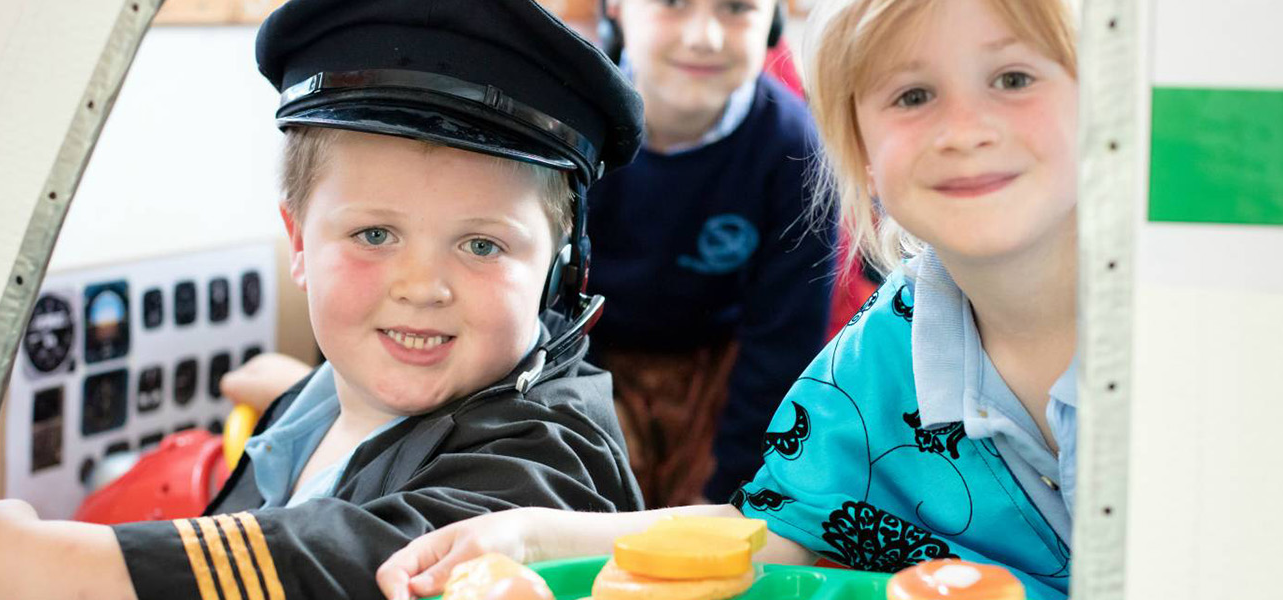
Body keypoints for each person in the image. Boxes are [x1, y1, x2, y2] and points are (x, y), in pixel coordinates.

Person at [0, 0, 651, 597]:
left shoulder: (554, 458)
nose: (422, 288)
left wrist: (52, 566)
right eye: (374, 234)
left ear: (558, 270)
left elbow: (382, 560)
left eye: (482, 245)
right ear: (298, 243)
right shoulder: (329, 396)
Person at [376, 0, 1081, 598]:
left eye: (1013, 78)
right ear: (861, 153)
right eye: (913, 96)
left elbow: (777, 346)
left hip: (722, 374)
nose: (964, 131)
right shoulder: (882, 353)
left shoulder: (1161, 329)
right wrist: (529, 535)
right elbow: (780, 531)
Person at [588, 0, 838, 507]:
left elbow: (784, 344)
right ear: (614, 7)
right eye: (672, 3)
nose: (705, 36)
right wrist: (585, 395)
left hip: (725, 380)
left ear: (772, 20)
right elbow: (538, 303)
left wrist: (726, 489)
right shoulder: (567, 124)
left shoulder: (797, 151)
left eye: (737, 8)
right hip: (581, 358)